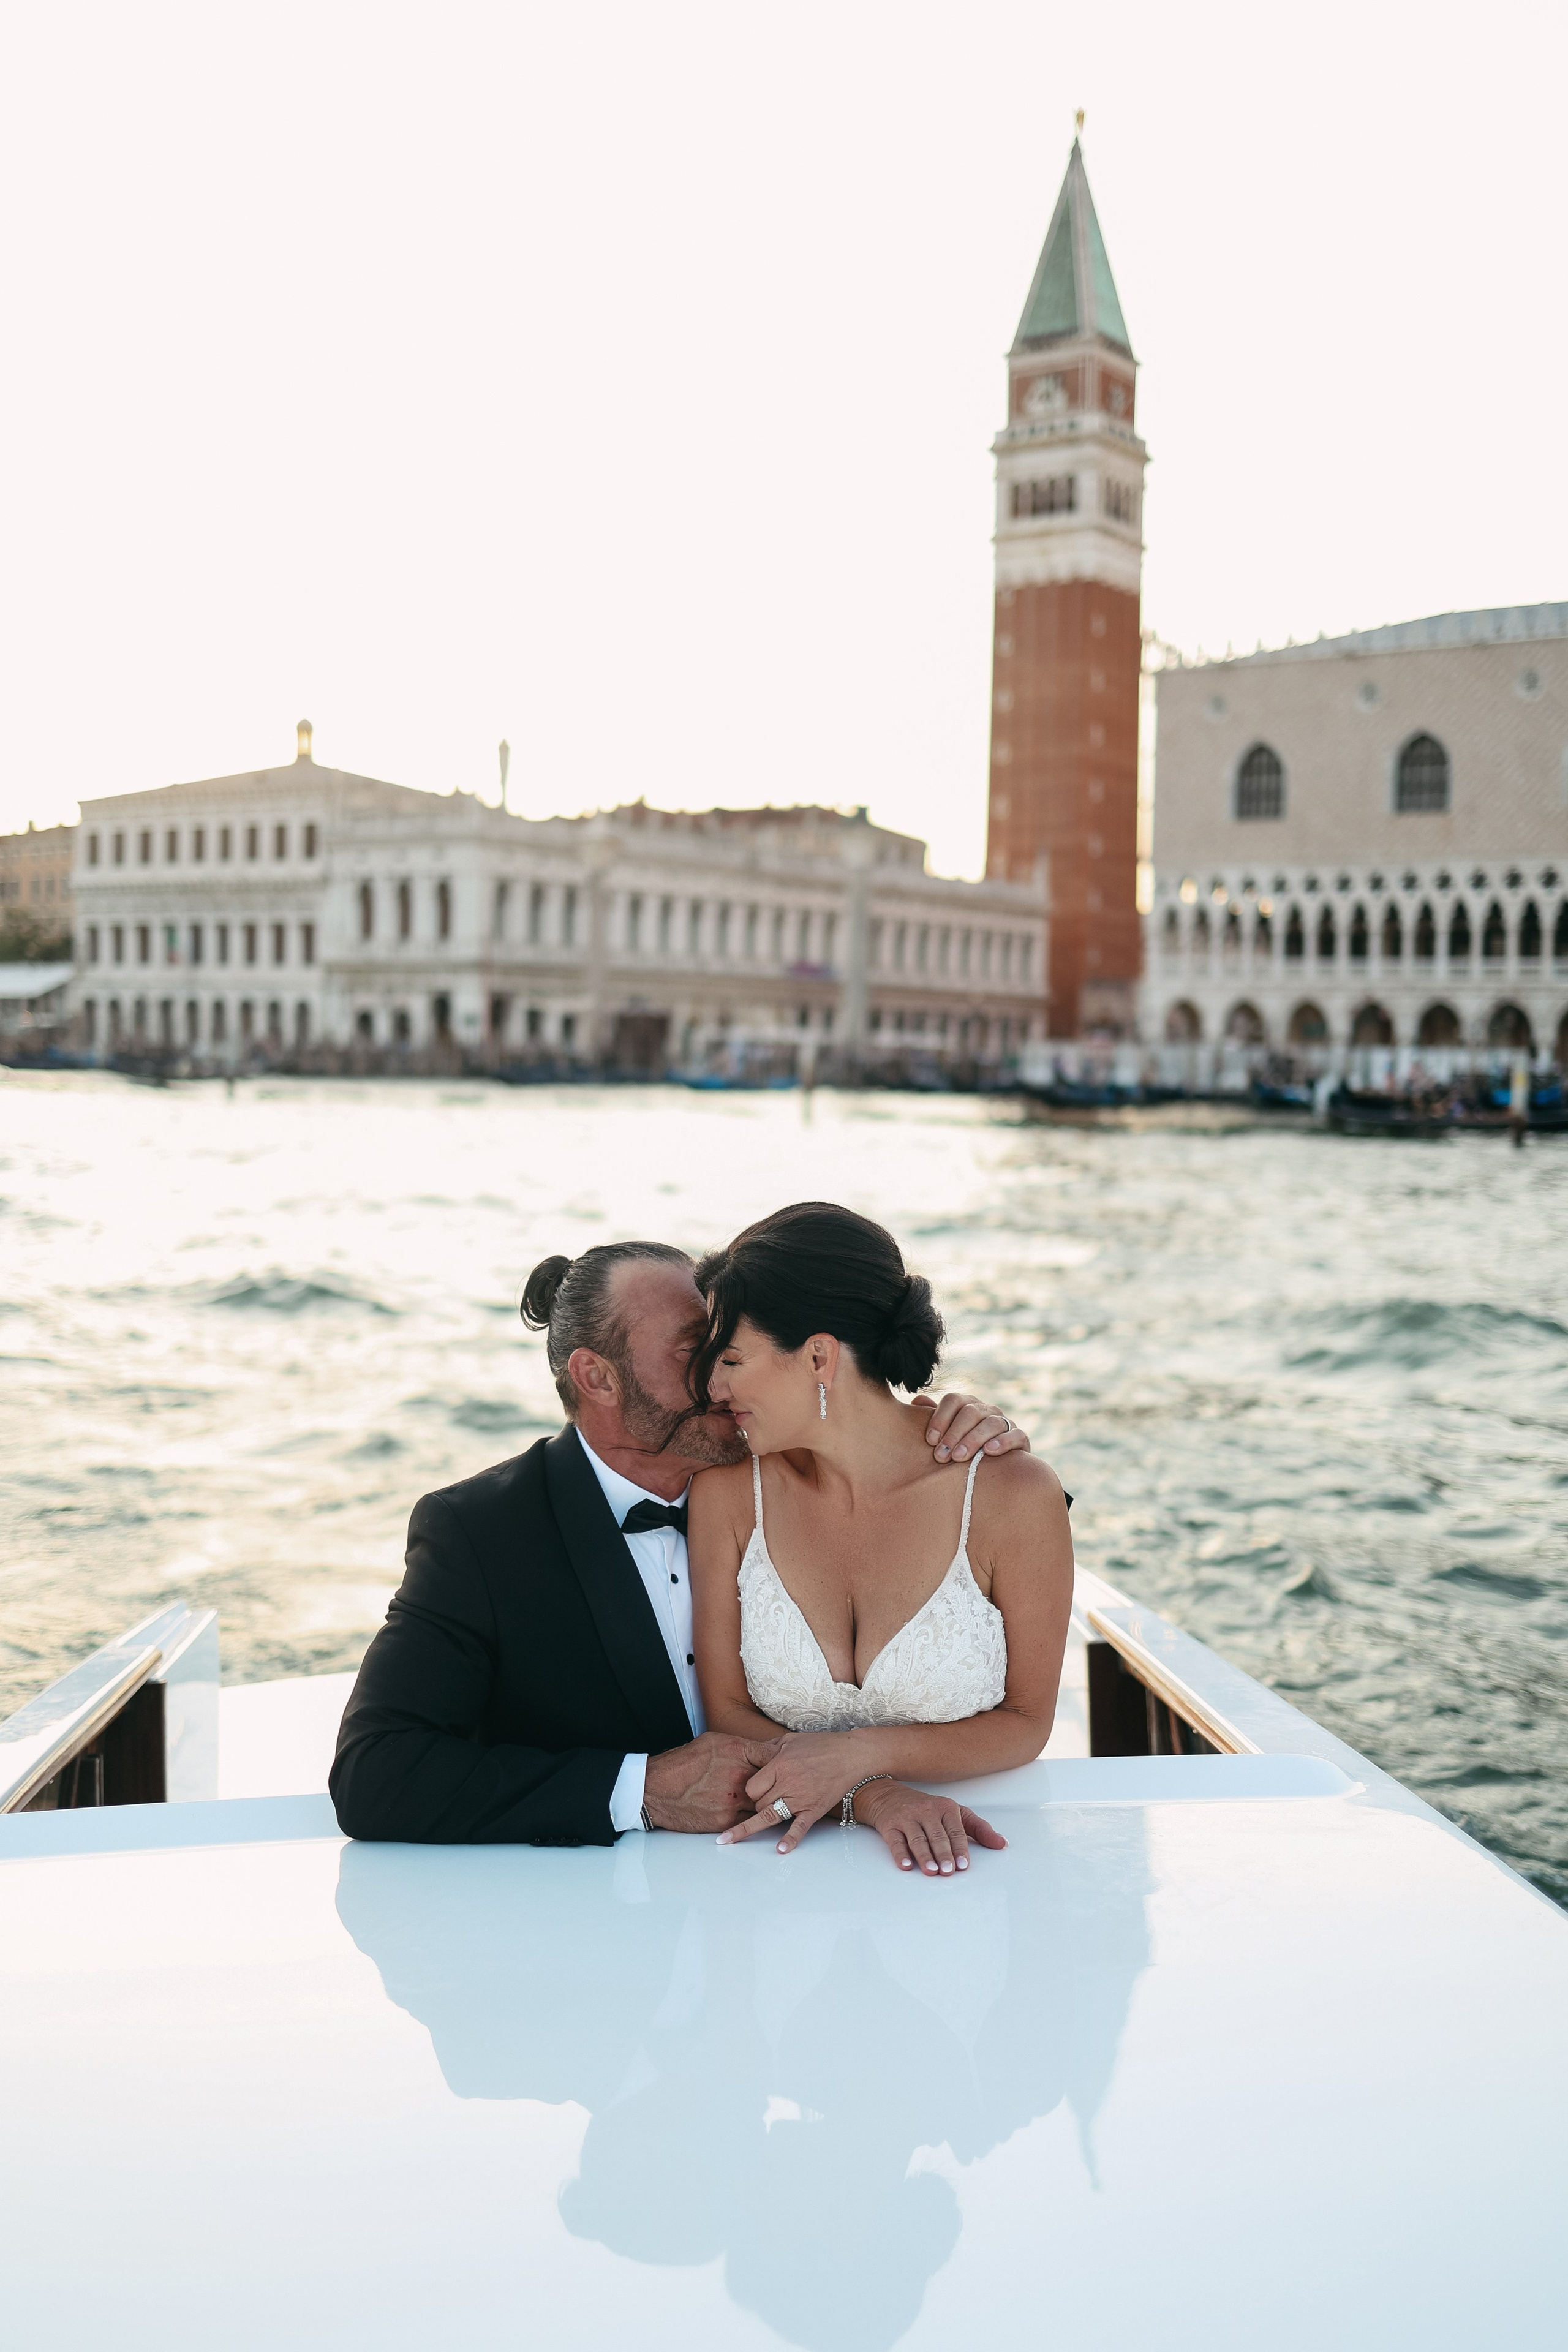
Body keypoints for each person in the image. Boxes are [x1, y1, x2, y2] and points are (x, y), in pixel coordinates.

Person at [330, 1237, 1031, 1847]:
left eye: (737, 1346)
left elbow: (919, 1480)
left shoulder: (784, 1469)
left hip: (847, 1867)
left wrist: (965, 1435)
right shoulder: (483, 1533)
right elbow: (376, 1772)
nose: (728, 1375)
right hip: (616, 1924)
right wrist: (640, 1789)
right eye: (700, 1352)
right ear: (596, 1377)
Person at [688, 1202, 1074, 1878]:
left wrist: (860, 1753)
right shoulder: (726, 1497)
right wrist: (871, 1791)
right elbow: (726, 1711)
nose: (714, 1387)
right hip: (775, 1867)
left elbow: (1025, 1721)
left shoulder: (1012, 1496)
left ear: (817, 1356)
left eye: (731, 1358)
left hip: (972, 1858)